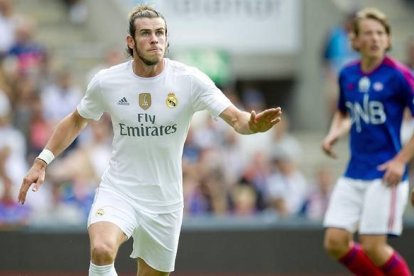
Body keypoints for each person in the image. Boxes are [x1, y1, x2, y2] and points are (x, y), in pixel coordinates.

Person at [17, 4, 282, 276]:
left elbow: (237, 119)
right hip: (119, 189)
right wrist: (41, 161)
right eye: (146, 33)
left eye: (160, 33)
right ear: (130, 42)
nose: (155, 39)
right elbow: (76, 120)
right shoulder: (107, 81)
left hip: (164, 201)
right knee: (102, 249)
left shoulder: (189, 80)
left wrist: (253, 125)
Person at [321, 7, 413, 276]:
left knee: (374, 246)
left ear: (388, 39)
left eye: (381, 33)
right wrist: (334, 132)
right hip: (355, 170)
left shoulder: (399, 75)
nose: (375, 39)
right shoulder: (347, 74)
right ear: (355, 40)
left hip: (386, 173)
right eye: (369, 34)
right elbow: (343, 111)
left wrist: (400, 162)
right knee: (335, 242)